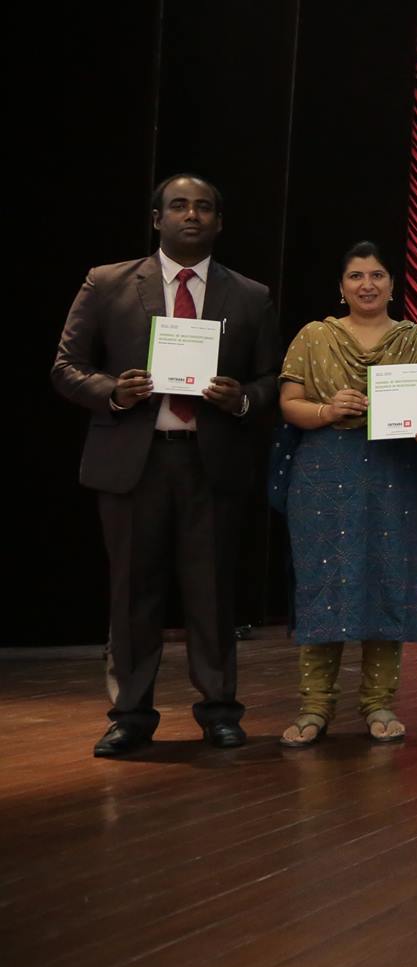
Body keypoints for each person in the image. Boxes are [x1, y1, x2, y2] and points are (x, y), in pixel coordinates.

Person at [52, 173, 280, 757]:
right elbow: (66, 367)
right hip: (135, 462)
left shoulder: (250, 295)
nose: (192, 215)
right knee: (133, 594)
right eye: (179, 206)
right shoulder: (107, 283)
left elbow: (270, 380)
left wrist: (243, 399)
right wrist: (112, 391)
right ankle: (130, 716)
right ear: (157, 219)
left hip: (211, 464)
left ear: (220, 222)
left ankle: (220, 711)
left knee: (212, 593)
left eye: (204, 207)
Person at [274, 242, 417, 746]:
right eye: (355, 276)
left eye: (377, 275)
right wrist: (327, 410)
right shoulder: (314, 336)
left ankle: (379, 703)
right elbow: (289, 404)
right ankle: (314, 706)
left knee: (387, 580)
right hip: (324, 473)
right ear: (341, 286)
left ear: (392, 284)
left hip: (395, 471)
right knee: (322, 583)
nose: (367, 284)